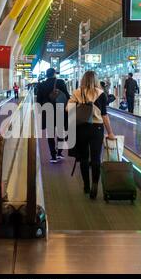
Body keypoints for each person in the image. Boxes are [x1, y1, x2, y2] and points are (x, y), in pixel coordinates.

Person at [67, 71, 116, 199]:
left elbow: (68, 109)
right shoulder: (101, 94)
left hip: (82, 127)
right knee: (95, 158)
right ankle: (95, 185)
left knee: (83, 157)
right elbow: (104, 115)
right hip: (97, 128)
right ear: (96, 80)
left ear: (83, 79)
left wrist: (80, 105)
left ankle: (86, 186)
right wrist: (110, 132)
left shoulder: (77, 92)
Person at [37, 68, 70, 163]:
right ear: (54, 74)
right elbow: (67, 96)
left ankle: (53, 156)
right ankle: (59, 152)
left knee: (50, 134)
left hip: (47, 111)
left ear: (46, 75)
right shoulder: (60, 82)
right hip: (60, 110)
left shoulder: (42, 85)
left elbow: (38, 101)